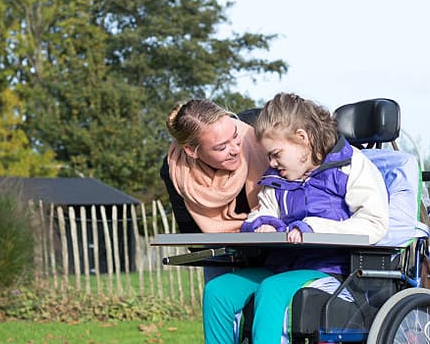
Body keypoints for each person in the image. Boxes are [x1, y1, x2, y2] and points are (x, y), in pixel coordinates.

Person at [202, 93, 390, 344]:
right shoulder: (277, 177)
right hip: (280, 267)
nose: (271, 162)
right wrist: (264, 223)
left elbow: (374, 224)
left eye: (276, 153)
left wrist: (312, 227)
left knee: (274, 289)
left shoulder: (352, 166)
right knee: (219, 292)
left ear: (302, 138)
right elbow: (264, 210)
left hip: (333, 274)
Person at [160, 99, 269, 281]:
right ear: (191, 151)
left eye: (235, 136)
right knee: (217, 287)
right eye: (221, 147)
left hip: (277, 237)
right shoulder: (175, 171)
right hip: (223, 249)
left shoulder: (259, 127)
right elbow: (196, 240)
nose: (235, 149)